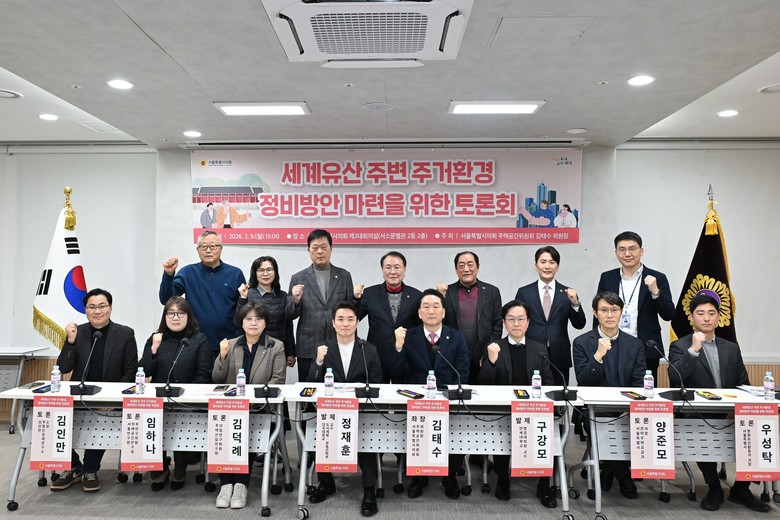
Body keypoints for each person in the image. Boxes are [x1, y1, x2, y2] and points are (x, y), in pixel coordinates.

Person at [669, 293, 771, 513]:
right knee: (699, 427)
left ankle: (741, 488)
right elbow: (676, 378)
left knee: (759, 424)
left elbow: (744, 384)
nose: (706, 318)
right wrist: (693, 350)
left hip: (729, 412)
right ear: (691, 317)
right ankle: (714, 487)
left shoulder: (731, 348)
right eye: (700, 313)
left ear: (718, 317)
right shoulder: (680, 345)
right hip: (698, 414)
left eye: (711, 313)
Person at [50, 288, 138, 493]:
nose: (97, 311)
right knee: (53, 417)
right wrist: (70, 341)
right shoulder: (77, 332)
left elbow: (131, 371)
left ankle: (90, 470)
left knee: (100, 419)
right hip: (79, 394)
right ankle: (73, 467)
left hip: (109, 397)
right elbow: (64, 368)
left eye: (102, 306)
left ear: (110, 308)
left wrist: (114, 399)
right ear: (85, 310)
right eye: (92, 307)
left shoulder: (125, 333)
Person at [391, 289, 470, 500]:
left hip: (447, 401)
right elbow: (397, 372)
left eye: (436, 306)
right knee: (414, 433)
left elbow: (462, 372)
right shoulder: (409, 336)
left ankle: (450, 476)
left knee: (458, 431)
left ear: (444, 312)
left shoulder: (456, 337)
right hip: (417, 402)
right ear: (419, 313)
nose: (431, 311)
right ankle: (418, 477)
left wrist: (451, 396)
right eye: (426, 307)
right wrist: (398, 347)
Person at [307, 303, 383, 516]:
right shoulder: (324, 348)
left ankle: (369, 490)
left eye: (350, 319)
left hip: (361, 412)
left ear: (357, 323)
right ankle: (326, 483)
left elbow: (377, 383)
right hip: (331, 412)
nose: (345, 324)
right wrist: (318, 361)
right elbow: (311, 383)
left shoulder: (368, 349)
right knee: (320, 434)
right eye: (340, 319)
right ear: (333, 323)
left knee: (366, 440)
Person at [478, 300, 556, 506]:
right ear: (504, 323)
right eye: (511, 319)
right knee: (502, 433)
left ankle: (544, 483)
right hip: (504, 411)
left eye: (521, 319)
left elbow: (549, 383)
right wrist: (491, 360)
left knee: (543, 432)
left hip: (534, 411)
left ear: (528, 322)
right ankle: (503, 480)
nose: (516, 324)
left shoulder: (539, 349)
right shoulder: (495, 347)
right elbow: (483, 383)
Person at [212, 302, 287, 509]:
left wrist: (252, 399)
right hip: (231, 408)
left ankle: (241, 484)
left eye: (258, 319)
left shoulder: (276, 346)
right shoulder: (231, 344)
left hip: (259, 408)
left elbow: (278, 381)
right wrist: (222, 356)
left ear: (265, 323)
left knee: (246, 426)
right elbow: (217, 379)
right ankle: (226, 484)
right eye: (249, 319)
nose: (253, 323)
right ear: (242, 322)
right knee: (225, 425)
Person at [573, 291, 646, 500]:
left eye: (614, 310)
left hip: (626, 409)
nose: (610, 315)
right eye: (604, 310)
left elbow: (639, 384)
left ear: (621, 312)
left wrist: (629, 409)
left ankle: (608, 471)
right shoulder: (582, 342)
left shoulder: (635, 344)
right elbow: (583, 381)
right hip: (594, 410)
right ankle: (624, 478)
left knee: (639, 425)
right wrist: (598, 356)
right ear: (595, 313)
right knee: (605, 428)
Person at [139, 296, 212, 491]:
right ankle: (159, 467)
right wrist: (154, 348)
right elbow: (144, 371)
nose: (176, 317)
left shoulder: (200, 340)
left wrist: (186, 398)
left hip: (189, 402)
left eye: (180, 313)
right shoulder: (156, 338)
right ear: (165, 317)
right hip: (159, 402)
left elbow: (204, 375)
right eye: (171, 313)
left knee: (181, 418)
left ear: (188, 316)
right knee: (149, 418)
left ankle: (180, 467)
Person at [596, 231, 674, 381]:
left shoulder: (657, 278)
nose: (627, 254)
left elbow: (669, 314)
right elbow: (600, 312)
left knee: (645, 391)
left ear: (641, 251)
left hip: (646, 348)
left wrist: (656, 292)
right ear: (616, 253)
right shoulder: (607, 277)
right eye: (622, 249)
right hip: (612, 347)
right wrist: (597, 342)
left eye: (632, 249)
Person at [159, 230, 245, 356]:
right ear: (197, 250)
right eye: (203, 247)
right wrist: (168, 275)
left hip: (228, 342)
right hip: (194, 342)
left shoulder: (235, 274)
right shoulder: (188, 272)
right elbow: (166, 300)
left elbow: (243, 309)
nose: (208, 250)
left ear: (221, 248)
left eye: (213, 246)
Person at [289, 229, 354, 383]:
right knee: (307, 388)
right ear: (308, 250)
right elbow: (290, 314)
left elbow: (351, 310)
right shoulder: (298, 278)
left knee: (337, 387)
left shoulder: (344, 276)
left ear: (331, 249)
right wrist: (295, 300)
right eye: (315, 248)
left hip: (337, 343)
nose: (319, 251)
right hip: (308, 345)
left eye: (324, 247)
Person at [516, 246, 586, 386]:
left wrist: (575, 303)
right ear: (536, 265)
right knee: (531, 392)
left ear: (557, 267)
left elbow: (579, 324)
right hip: (531, 351)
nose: (547, 266)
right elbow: (517, 322)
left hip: (559, 354)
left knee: (559, 395)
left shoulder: (567, 293)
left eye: (552, 262)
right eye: (543, 262)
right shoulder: (524, 292)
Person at [353, 251, 422, 383]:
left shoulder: (416, 296)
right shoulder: (370, 294)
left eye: (397, 267)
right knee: (377, 393)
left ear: (404, 270)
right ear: (382, 270)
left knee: (403, 393)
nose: (392, 272)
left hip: (405, 356)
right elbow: (354, 318)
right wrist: (355, 299)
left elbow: (421, 328)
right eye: (388, 267)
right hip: (377, 355)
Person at [438, 251, 502, 385]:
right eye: (461, 265)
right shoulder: (447, 292)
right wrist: (439, 297)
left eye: (470, 264)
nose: (466, 269)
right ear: (456, 269)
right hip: (453, 357)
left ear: (478, 267)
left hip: (483, 357)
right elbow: (439, 324)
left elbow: (497, 326)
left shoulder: (492, 291)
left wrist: (487, 353)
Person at [237, 256, 297, 369]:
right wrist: (242, 299)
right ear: (255, 273)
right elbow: (238, 322)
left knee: (277, 378)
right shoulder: (248, 294)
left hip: (278, 348)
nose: (265, 274)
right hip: (253, 348)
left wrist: (291, 352)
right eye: (261, 270)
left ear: (275, 272)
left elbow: (288, 326)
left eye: (269, 270)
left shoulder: (283, 295)